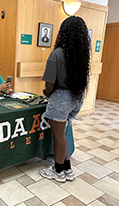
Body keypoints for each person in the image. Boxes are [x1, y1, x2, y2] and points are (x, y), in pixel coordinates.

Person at [39, 16, 91, 183]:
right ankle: (67, 168)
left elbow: (49, 85)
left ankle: (58, 171)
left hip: (61, 99)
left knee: (58, 136)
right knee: (63, 135)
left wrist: (48, 93)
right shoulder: (81, 56)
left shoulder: (57, 54)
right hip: (76, 98)